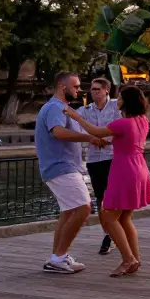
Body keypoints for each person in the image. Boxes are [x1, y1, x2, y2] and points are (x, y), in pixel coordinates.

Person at [66, 86, 150, 277]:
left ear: (126, 101)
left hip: (124, 170)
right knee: (124, 218)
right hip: (139, 168)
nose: (117, 100)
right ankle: (134, 259)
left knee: (108, 216)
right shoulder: (143, 121)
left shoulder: (122, 123)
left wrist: (77, 116)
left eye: (120, 97)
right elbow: (128, 141)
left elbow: (96, 131)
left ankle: (128, 259)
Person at [36, 72, 105, 274]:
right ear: (62, 86)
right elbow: (57, 132)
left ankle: (57, 257)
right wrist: (88, 138)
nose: (79, 90)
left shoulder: (62, 109)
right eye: (75, 86)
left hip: (64, 167)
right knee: (84, 208)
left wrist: (91, 137)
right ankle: (58, 257)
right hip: (60, 167)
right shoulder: (55, 108)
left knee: (67, 212)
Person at [77, 77, 120, 256]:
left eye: (97, 89)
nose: (93, 92)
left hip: (113, 157)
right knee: (101, 199)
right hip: (95, 159)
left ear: (105, 91)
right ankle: (107, 233)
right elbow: (78, 126)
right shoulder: (85, 110)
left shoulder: (116, 106)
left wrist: (106, 140)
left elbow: (122, 128)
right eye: (92, 90)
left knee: (114, 198)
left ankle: (114, 233)